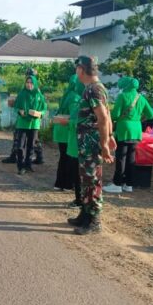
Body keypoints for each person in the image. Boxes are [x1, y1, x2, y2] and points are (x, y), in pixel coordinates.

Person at [67, 56, 115, 235]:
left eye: (76, 69)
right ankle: (85, 215)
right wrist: (110, 135)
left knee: (92, 180)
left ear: (81, 69)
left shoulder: (94, 89)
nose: (76, 72)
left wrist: (104, 143)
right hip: (88, 144)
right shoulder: (95, 88)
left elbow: (102, 117)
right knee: (86, 180)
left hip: (92, 144)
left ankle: (94, 220)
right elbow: (107, 115)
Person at [103, 76, 153, 193]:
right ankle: (129, 184)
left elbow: (115, 114)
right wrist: (138, 118)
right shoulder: (141, 97)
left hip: (124, 129)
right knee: (131, 158)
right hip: (136, 130)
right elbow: (151, 114)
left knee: (121, 158)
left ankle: (117, 184)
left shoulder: (122, 96)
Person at [2, 67, 44, 165]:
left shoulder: (36, 90)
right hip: (25, 119)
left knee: (25, 139)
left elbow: (42, 106)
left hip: (32, 120)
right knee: (31, 140)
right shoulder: (30, 88)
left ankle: (17, 157)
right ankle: (37, 157)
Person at [13, 75, 47, 175]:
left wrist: (39, 113)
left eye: (31, 83)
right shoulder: (22, 94)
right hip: (22, 123)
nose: (29, 84)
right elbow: (16, 107)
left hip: (34, 123)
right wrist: (20, 111)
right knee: (20, 146)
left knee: (31, 146)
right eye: (27, 82)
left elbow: (44, 109)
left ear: (35, 84)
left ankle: (28, 165)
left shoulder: (39, 95)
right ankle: (20, 166)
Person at [53, 74, 81, 191]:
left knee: (63, 157)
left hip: (60, 129)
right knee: (70, 158)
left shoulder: (67, 94)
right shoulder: (75, 97)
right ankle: (68, 184)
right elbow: (74, 116)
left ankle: (59, 183)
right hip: (68, 130)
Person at [64, 75, 87, 207]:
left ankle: (80, 200)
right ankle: (81, 200)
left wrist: (68, 122)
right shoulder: (83, 100)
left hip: (77, 143)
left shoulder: (81, 102)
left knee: (78, 174)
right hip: (80, 143)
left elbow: (78, 122)